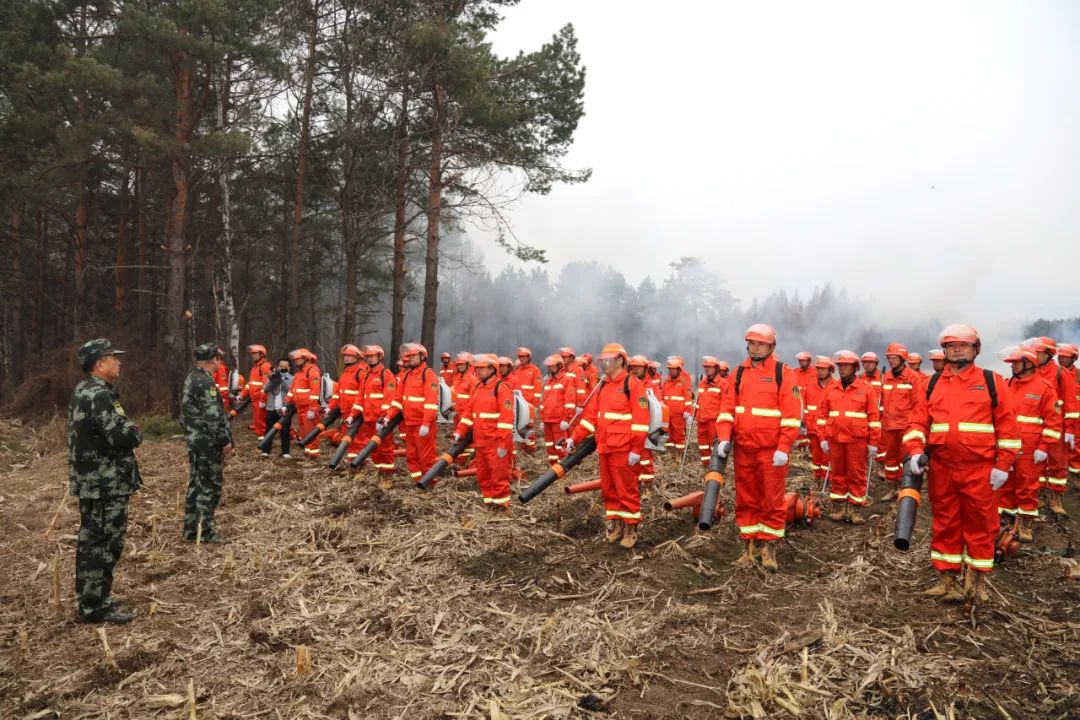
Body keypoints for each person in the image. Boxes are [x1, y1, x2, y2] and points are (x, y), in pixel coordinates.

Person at [904, 324, 1019, 602]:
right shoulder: (930, 384)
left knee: (981, 525)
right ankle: (947, 581)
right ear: (944, 350)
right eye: (951, 345)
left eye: (963, 344)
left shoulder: (992, 382)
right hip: (942, 468)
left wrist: (1003, 465)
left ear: (975, 349)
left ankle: (976, 585)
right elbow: (917, 422)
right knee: (945, 523)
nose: (957, 349)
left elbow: (1008, 428)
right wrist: (916, 450)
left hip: (980, 469)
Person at [714, 324, 800, 572]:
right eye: (751, 343)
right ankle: (749, 546)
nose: (754, 347)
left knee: (771, 500)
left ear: (772, 346)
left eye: (760, 343)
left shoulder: (783, 372)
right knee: (746, 499)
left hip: (772, 451)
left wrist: (784, 447)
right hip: (744, 449)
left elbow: (793, 416)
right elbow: (727, 409)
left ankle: (769, 546)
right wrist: (723, 438)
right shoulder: (739, 373)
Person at [68, 339, 142, 624]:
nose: (119, 362)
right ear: (100, 363)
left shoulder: (84, 390)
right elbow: (122, 435)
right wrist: (135, 431)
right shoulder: (98, 394)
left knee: (91, 540)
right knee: (104, 543)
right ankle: (95, 606)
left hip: (93, 481)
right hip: (105, 483)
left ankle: (92, 598)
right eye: (114, 357)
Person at [567, 343, 650, 548]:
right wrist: (574, 438)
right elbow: (590, 418)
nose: (603, 363)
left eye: (608, 360)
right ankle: (616, 526)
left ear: (620, 360)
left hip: (623, 449)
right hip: (604, 447)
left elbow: (641, 421)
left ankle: (631, 529)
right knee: (609, 489)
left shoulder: (632, 384)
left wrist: (636, 450)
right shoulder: (603, 385)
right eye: (602, 360)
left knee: (626, 490)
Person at [1000, 345, 1060, 542]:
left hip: (1030, 447)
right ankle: (1008, 520)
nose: (1013, 366)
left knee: (1027, 485)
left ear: (1028, 363)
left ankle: (1026, 522)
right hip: (1008, 444)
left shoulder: (1044, 388)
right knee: (1006, 484)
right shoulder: (1007, 385)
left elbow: (1053, 421)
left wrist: (1044, 447)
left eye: (1016, 362)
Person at [819, 351, 881, 524]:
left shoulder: (866, 390)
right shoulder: (831, 389)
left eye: (847, 366)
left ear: (855, 368)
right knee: (838, 474)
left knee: (856, 474)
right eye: (840, 366)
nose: (843, 369)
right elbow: (822, 415)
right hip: (835, 439)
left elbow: (874, 418)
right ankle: (841, 509)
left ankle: (854, 510)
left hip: (857, 440)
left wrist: (873, 443)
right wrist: (823, 438)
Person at [181, 343, 234, 543]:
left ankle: (191, 528)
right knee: (210, 486)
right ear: (214, 360)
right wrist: (224, 440)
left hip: (195, 441)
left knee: (196, 484)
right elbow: (214, 417)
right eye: (219, 358)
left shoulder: (192, 378)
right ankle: (206, 532)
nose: (220, 362)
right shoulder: (205, 383)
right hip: (207, 443)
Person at [453, 354, 515, 509]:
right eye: (477, 368)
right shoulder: (478, 388)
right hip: (480, 442)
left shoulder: (501, 388)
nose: (478, 371)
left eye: (481, 368)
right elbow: (469, 413)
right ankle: (489, 504)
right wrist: (460, 431)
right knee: (483, 475)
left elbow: (506, 421)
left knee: (498, 476)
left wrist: (502, 444)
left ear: (492, 369)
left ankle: (502, 507)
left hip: (495, 443)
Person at [1028, 336, 1076, 515]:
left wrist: (1070, 429)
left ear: (1049, 354)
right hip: (1036, 428)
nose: (1035, 355)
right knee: (1037, 464)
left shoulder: (1060, 373)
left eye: (1038, 352)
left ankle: (1056, 498)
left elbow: (1071, 404)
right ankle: (1038, 494)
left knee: (1058, 463)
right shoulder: (1031, 372)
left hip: (1058, 427)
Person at [383, 343, 439, 484]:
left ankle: (429, 485)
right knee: (412, 456)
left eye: (413, 356)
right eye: (409, 356)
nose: (410, 358)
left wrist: (426, 424)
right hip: (409, 423)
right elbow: (397, 400)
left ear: (422, 356)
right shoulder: (407, 375)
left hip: (422, 424)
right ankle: (418, 482)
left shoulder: (428, 374)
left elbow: (431, 403)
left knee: (426, 457)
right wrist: (388, 416)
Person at [879, 343, 920, 501]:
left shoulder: (912, 377)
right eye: (888, 358)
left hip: (906, 427)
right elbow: (883, 402)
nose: (890, 360)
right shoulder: (886, 377)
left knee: (906, 460)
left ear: (902, 358)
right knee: (890, 461)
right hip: (889, 426)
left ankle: (905, 489)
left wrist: (914, 426)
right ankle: (892, 488)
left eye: (893, 357)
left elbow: (917, 404)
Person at [354, 345, 397, 480]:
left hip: (380, 419)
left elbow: (389, 398)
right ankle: (379, 472)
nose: (370, 359)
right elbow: (361, 396)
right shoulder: (366, 375)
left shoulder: (386, 374)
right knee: (374, 449)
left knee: (385, 448)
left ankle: (387, 476)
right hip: (368, 419)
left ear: (379, 357)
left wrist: (383, 417)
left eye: (372, 356)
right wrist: (353, 414)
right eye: (368, 357)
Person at [804, 356, 838, 484]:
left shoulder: (836, 386)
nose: (820, 372)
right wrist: (806, 423)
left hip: (828, 430)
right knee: (816, 457)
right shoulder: (810, 385)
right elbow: (806, 406)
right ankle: (817, 477)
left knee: (827, 457)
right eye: (818, 369)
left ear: (830, 370)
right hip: (813, 428)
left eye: (823, 369)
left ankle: (827, 479)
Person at [285, 348, 322, 460]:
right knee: (304, 432)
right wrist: (286, 403)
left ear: (305, 359)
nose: (295, 361)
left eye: (297, 359)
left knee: (311, 432)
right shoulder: (299, 373)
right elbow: (292, 389)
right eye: (295, 359)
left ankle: (313, 455)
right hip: (300, 407)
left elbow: (315, 391)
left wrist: (312, 408)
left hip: (308, 408)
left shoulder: (312, 371)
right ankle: (308, 451)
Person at [695, 356, 731, 467]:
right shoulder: (702, 383)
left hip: (714, 422)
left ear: (716, 368)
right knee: (703, 446)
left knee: (714, 447)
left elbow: (727, 404)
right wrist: (693, 413)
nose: (707, 369)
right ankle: (706, 466)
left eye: (709, 367)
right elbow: (698, 400)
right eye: (705, 367)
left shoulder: (723, 384)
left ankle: (717, 469)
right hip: (701, 421)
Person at [540, 354, 574, 464]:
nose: (549, 368)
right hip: (547, 420)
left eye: (551, 366)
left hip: (559, 421)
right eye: (548, 366)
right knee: (550, 447)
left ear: (559, 365)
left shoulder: (566, 380)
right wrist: (542, 419)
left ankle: (564, 468)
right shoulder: (548, 382)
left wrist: (566, 419)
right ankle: (553, 469)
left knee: (561, 447)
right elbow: (543, 402)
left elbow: (569, 402)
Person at [234, 344, 271, 440]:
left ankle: (264, 441)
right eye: (252, 354)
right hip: (255, 399)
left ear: (261, 354)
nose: (252, 355)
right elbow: (249, 384)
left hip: (261, 399)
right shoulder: (255, 368)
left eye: (255, 353)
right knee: (258, 421)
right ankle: (261, 438)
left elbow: (266, 385)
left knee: (262, 421)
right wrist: (241, 395)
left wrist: (263, 400)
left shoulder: (265, 366)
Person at [262, 358, 294, 458]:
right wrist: (273, 380)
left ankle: (286, 452)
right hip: (271, 408)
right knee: (269, 430)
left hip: (285, 408)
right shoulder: (273, 376)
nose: (283, 368)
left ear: (289, 368)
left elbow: (290, 390)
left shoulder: (292, 378)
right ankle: (265, 451)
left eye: (285, 367)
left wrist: (282, 381)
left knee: (285, 431)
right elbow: (265, 389)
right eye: (281, 366)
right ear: (278, 366)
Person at [1058, 344, 1080, 487]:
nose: (1061, 359)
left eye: (1065, 357)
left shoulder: (1078, 375)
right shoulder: (1056, 374)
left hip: (1076, 417)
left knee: (1076, 447)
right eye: (1060, 356)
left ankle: (1076, 476)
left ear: (1073, 358)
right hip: (1059, 416)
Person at [662, 356, 693, 456]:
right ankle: (670, 453)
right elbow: (663, 396)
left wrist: (688, 411)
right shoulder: (666, 382)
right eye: (670, 369)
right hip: (667, 414)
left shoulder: (683, 381)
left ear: (678, 370)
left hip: (678, 415)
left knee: (679, 435)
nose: (671, 371)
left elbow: (688, 397)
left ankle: (679, 454)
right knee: (668, 435)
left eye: (673, 369)